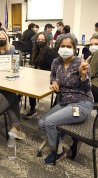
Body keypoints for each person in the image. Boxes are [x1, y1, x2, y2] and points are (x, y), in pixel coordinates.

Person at [38, 36, 94, 164]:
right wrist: (54, 81)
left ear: (75, 49)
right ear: (58, 48)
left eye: (69, 47)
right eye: (62, 46)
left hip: (81, 103)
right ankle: (60, 136)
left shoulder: (81, 64)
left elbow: (87, 89)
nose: (65, 49)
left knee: (50, 123)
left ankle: (59, 152)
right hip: (65, 102)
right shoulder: (56, 62)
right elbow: (52, 75)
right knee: (42, 123)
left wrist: (83, 75)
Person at [26, 32, 59, 118]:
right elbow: (34, 65)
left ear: (46, 41)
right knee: (25, 82)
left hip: (49, 78)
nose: (40, 41)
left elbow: (55, 68)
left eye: (42, 40)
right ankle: (29, 106)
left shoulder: (50, 52)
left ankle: (33, 108)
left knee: (30, 86)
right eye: (39, 40)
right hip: (38, 76)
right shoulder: (35, 51)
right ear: (36, 41)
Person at [87, 33, 98, 102]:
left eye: (96, 44)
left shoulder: (97, 53)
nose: (93, 46)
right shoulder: (92, 55)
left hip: (95, 86)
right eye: (91, 45)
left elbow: (91, 72)